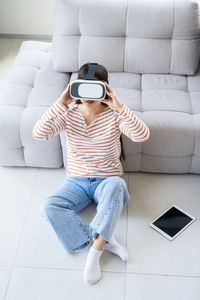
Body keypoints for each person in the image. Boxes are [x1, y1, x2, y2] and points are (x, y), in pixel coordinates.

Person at [32, 62, 150, 284]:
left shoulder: (114, 115)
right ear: (75, 87)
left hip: (107, 179)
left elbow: (142, 135)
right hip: (75, 181)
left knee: (117, 186)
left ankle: (95, 251)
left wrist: (120, 106)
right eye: (83, 87)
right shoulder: (68, 114)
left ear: (105, 88)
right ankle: (105, 237)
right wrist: (60, 103)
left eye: (95, 88)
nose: (88, 95)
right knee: (47, 207)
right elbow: (39, 133)